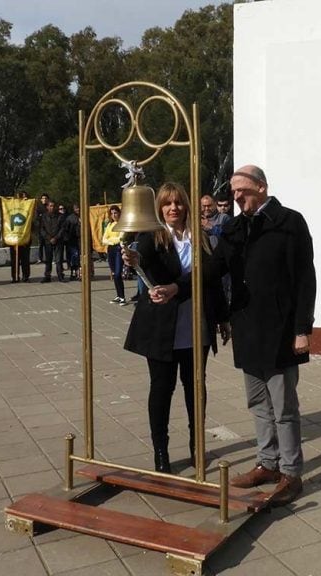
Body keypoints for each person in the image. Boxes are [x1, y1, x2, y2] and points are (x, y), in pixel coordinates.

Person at [210, 165, 316, 506]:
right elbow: (213, 269)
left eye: (244, 191)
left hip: (281, 330)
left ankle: (290, 472)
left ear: (262, 187)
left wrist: (303, 329)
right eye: (234, 193)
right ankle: (267, 463)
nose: (238, 197)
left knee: (284, 405)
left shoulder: (289, 223)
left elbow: (305, 279)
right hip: (247, 329)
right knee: (257, 402)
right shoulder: (237, 228)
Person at [123, 182, 230, 473]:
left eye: (178, 203)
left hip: (196, 326)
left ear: (187, 206)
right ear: (159, 208)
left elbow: (211, 279)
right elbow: (142, 257)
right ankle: (161, 453)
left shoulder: (203, 239)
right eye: (167, 204)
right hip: (162, 328)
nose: (174, 208)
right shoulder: (152, 237)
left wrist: (222, 317)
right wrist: (133, 259)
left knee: (196, 388)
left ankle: (198, 448)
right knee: (161, 389)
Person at [102, 205, 127, 305]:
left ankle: (122, 297)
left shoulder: (122, 224)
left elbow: (121, 237)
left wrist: (110, 240)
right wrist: (110, 241)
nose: (114, 215)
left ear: (119, 213)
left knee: (118, 273)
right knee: (114, 273)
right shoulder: (109, 225)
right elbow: (103, 239)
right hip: (110, 249)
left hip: (118, 249)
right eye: (112, 213)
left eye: (115, 213)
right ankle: (119, 295)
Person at [39, 200, 65, 283]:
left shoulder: (60, 216)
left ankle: (60, 275)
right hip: (48, 241)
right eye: (50, 206)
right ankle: (47, 276)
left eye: (53, 206)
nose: (52, 208)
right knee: (48, 260)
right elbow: (42, 229)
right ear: (47, 207)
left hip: (58, 240)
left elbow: (62, 228)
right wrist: (48, 238)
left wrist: (56, 238)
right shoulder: (44, 216)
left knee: (58, 260)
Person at [63, 204, 81, 280]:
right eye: (76, 208)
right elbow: (65, 230)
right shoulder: (70, 218)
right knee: (74, 257)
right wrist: (67, 240)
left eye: (79, 208)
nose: (78, 209)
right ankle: (73, 273)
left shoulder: (85, 215)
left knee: (81, 258)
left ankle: (80, 273)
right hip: (73, 241)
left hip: (82, 241)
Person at [36, 193, 49, 263]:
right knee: (40, 244)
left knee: (47, 244)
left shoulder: (49, 207)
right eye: (43, 198)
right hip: (40, 228)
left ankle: (48, 258)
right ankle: (40, 258)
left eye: (46, 198)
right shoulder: (39, 207)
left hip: (48, 229)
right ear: (41, 200)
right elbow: (37, 217)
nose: (44, 200)